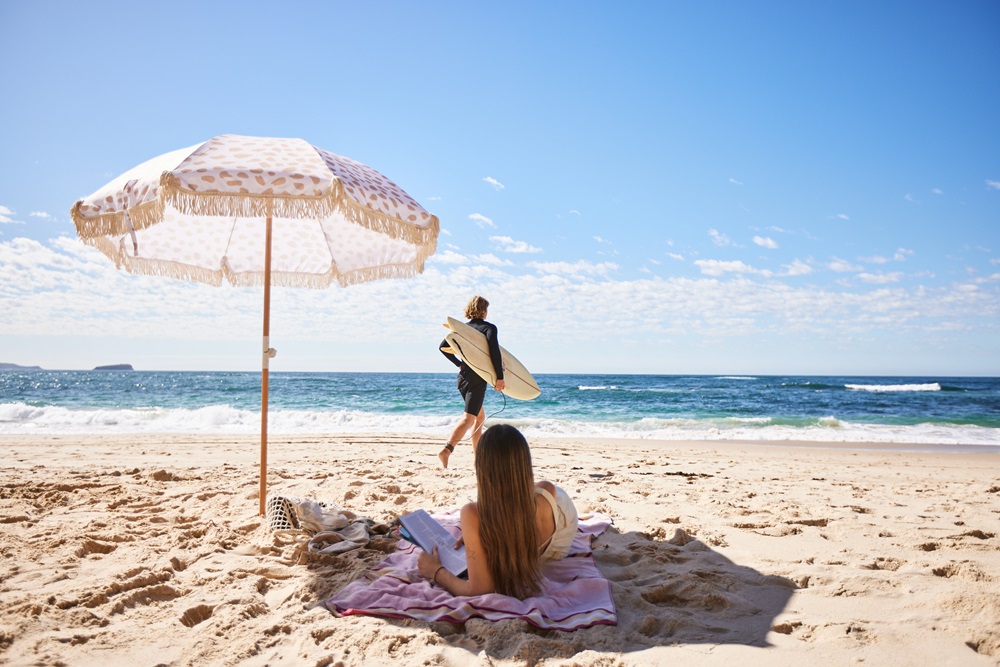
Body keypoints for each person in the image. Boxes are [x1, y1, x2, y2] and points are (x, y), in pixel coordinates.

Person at [416, 424, 580, 599]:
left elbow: (479, 590)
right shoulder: (545, 492)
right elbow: (523, 505)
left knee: (532, 494)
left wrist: (436, 571)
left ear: (480, 467)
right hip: (560, 522)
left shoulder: (472, 512)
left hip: (558, 516)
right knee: (539, 489)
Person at [437, 295, 505, 468]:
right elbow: (494, 352)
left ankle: (477, 459)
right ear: (483, 311)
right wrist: (499, 377)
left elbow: (442, 347)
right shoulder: (488, 328)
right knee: (469, 418)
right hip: (477, 379)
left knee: (479, 417)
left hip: (463, 378)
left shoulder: (461, 329)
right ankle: (446, 450)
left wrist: (459, 364)